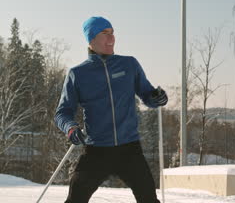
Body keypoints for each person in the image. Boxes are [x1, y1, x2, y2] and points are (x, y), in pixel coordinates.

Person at [55, 16, 168, 203]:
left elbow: (148, 95)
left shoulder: (129, 64)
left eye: (112, 33)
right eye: (104, 33)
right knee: (75, 200)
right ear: (91, 40)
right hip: (96, 151)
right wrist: (70, 128)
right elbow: (62, 113)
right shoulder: (78, 74)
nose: (111, 38)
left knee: (148, 199)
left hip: (129, 149)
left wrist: (157, 98)